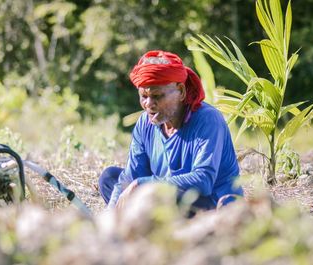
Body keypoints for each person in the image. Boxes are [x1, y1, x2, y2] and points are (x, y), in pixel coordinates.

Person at [98, 50, 243, 214]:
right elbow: (131, 177)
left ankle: (149, 222)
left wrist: (144, 184)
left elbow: (203, 181)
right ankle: (138, 223)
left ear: (181, 91)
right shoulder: (145, 123)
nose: (149, 104)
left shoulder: (208, 120)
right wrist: (111, 214)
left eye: (157, 96)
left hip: (212, 204)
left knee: (163, 195)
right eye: (143, 96)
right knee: (110, 178)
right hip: (164, 197)